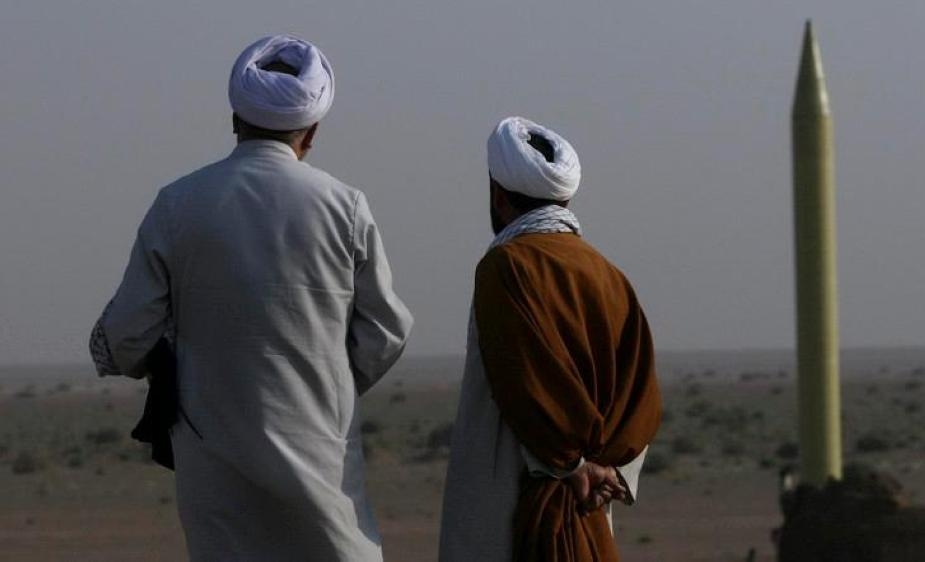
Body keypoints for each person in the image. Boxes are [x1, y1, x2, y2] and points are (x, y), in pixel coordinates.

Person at [88, 35, 412, 562]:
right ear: (312, 131)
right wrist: (324, 381)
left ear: (235, 118)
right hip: (321, 455)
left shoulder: (178, 205)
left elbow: (124, 338)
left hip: (213, 466)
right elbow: (386, 331)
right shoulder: (345, 207)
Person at [439, 116, 662, 561]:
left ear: (498, 198)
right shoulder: (608, 275)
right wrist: (607, 469)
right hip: (589, 501)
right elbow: (641, 392)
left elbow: (525, 379)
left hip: (508, 492)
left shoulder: (506, 267)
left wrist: (571, 465)